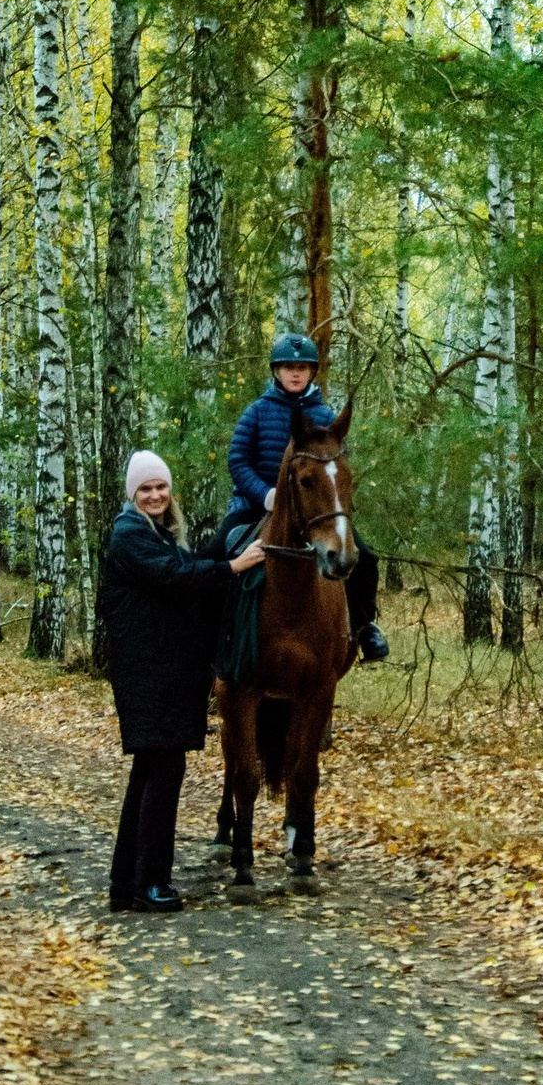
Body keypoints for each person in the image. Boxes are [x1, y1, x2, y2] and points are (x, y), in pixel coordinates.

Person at [102, 450, 266, 914]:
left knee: (150, 772)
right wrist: (235, 566)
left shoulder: (157, 534)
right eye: (145, 488)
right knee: (162, 773)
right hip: (151, 673)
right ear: (132, 494)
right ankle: (151, 882)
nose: (155, 495)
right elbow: (173, 577)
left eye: (161, 487)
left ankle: (126, 883)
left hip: (161, 671)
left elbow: (186, 571)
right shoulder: (130, 534)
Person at [225, 333, 389, 663]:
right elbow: (238, 460)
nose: (295, 373)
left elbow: (336, 469)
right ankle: (211, 633)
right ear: (276, 371)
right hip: (256, 507)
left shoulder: (325, 417)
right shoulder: (257, 412)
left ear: (312, 372)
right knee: (217, 551)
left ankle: (364, 627)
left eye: (302, 368)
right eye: (288, 367)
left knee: (365, 559)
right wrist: (265, 494)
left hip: (313, 511)